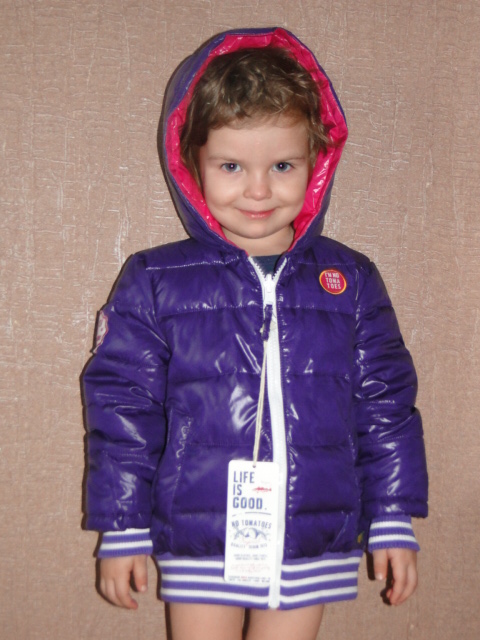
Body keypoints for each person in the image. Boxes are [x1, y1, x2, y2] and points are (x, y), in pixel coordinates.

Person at [83, 27, 428, 640]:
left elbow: (386, 405)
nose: (260, 189)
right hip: (201, 531)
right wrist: (123, 525)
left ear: (317, 163)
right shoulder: (156, 280)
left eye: (283, 165)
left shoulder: (349, 280)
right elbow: (123, 407)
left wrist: (393, 516)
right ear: (192, 165)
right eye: (232, 165)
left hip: (311, 531)